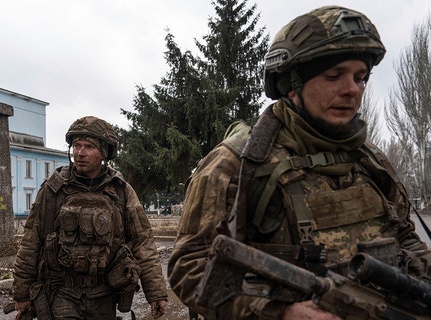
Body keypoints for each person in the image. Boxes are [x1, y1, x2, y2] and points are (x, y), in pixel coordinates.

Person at [168, 6, 431, 320]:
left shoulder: (370, 159)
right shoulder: (237, 163)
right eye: (334, 76)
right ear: (291, 84)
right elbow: (189, 268)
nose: (352, 90)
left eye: (360, 77)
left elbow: (405, 237)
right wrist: (279, 313)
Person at [12, 116, 168, 319]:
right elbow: (31, 241)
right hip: (61, 293)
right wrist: (21, 292)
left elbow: (143, 243)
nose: (80, 153)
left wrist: (155, 293)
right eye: (77, 146)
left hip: (105, 293)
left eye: (88, 147)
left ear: (104, 152)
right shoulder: (53, 190)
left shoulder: (121, 192)